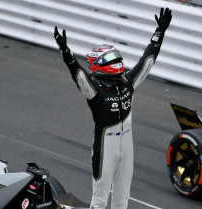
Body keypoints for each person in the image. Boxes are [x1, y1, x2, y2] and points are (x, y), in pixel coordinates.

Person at [54, 7, 172, 209]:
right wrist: (66, 53)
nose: (117, 62)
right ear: (99, 65)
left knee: (122, 199)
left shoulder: (128, 81)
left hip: (127, 147)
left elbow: (148, 60)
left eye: (116, 58)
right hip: (105, 149)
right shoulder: (95, 91)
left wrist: (159, 33)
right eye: (111, 59)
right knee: (99, 200)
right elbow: (79, 75)